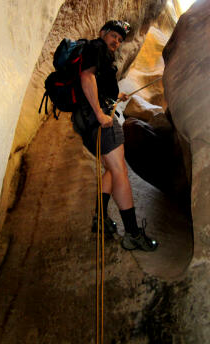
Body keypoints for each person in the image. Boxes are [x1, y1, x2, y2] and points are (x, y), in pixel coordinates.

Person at [72, 20, 158, 252]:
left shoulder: (103, 56)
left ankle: (100, 220)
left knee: (113, 169)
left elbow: (97, 81)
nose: (116, 41)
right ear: (103, 33)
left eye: (120, 40)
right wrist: (100, 114)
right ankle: (132, 234)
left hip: (95, 116)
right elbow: (86, 77)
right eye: (113, 36)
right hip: (97, 119)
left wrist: (115, 94)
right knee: (120, 171)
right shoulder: (95, 47)